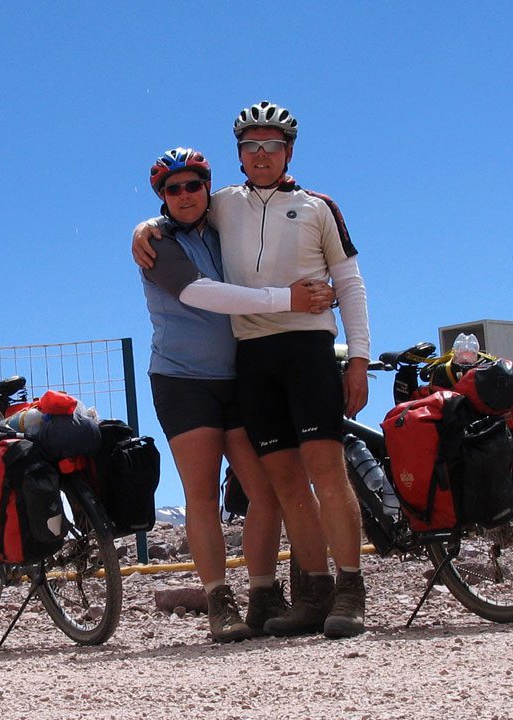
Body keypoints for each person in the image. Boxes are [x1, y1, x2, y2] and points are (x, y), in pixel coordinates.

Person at [134, 103, 372, 639]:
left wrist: (358, 357)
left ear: (289, 150)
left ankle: (349, 589)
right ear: (239, 154)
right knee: (284, 481)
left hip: (307, 347)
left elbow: (350, 284)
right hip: (247, 360)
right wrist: (142, 226)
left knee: (325, 472)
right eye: (250, 146)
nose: (261, 155)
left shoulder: (318, 206)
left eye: (271, 145)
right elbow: (173, 227)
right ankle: (309, 593)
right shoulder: (219, 207)